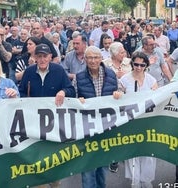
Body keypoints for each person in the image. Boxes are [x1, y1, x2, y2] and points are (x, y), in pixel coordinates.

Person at [18, 43, 75, 188]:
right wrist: (27, 102)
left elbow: (70, 89)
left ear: (50, 57)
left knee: (53, 160)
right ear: (35, 57)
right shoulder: (29, 72)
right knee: (36, 158)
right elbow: (22, 92)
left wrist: (63, 92)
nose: (42, 59)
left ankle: (55, 182)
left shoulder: (59, 71)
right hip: (33, 124)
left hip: (54, 125)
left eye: (45, 56)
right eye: (39, 56)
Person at [113, 51, 158, 188]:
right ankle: (135, 181)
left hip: (147, 121)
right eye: (136, 64)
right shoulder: (124, 80)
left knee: (148, 152)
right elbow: (119, 95)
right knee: (132, 152)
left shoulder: (151, 80)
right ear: (132, 63)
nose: (139, 67)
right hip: (130, 121)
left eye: (142, 65)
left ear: (146, 65)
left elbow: (157, 97)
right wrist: (118, 94)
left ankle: (147, 180)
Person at [76, 46, 118, 188]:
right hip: (87, 128)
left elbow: (117, 96)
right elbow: (72, 98)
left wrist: (118, 95)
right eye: (89, 57)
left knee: (102, 167)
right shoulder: (79, 77)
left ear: (101, 58)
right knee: (87, 168)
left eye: (95, 57)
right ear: (85, 59)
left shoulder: (111, 75)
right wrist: (77, 100)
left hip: (106, 127)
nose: (93, 61)